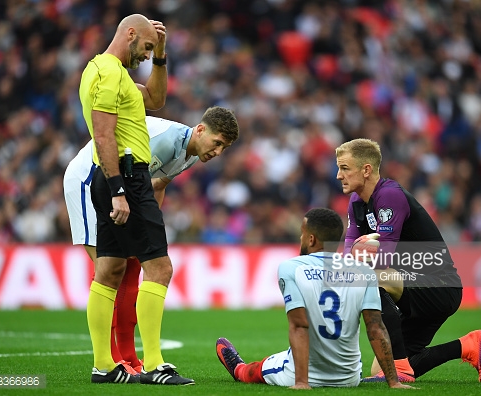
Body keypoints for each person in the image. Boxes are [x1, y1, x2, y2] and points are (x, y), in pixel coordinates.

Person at [63, 108, 239, 374]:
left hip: (119, 188)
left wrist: (147, 237)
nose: (218, 153)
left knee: (131, 267)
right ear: (201, 130)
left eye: (224, 148)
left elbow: (155, 186)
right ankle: (109, 361)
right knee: (108, 270)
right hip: (89, 180)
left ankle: (130, 358)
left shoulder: (189, 156)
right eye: (217, 143)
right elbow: (119, 166)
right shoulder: (166, 141)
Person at [78, 13, 192, 385]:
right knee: (159, 268)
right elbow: (103, 134)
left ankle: (102, 367)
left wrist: (161, 54)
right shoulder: (111, 74)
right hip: (125, 176)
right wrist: (120, 190)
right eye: (145, 46)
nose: (145, 55)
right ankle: (157, 365)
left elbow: (156, 99)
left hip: (114, 177)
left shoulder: (107, 72)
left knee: (109, 271)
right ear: (129, 34)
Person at [335, 138, 481, 383]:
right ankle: (467, 345)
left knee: (370, 278)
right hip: (409, 287)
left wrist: (357, 262)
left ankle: (400, 367)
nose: (338, 175)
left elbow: (384, 258)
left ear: (366, 170)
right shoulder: (357, 201)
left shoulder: (389, 196)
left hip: (439, 286)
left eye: (344, 168)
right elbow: (348, 252)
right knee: (379, 370)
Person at [215, 208, 414, 389]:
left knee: (261, 367)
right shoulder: (365, 272)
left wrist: (301, 382)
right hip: (349, 378)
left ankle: (238, 368)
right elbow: (376, 328)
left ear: (310, 239)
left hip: (301, 375)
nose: (301, 238)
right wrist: (394, 382)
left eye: (302, 234)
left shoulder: (291, 268)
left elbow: (299, 325)